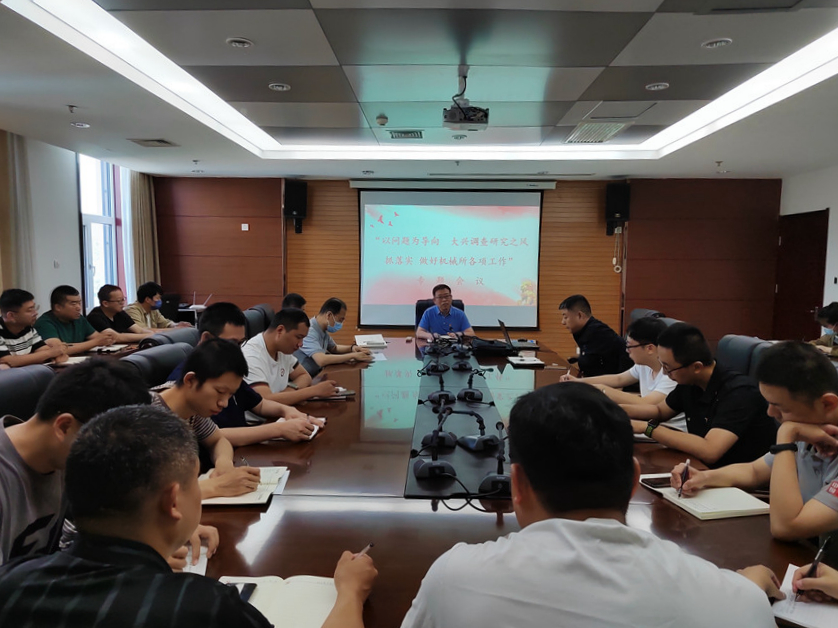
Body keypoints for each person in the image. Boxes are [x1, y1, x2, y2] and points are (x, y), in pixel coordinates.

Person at [400, 383, 782, 628]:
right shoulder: (739, 604)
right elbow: (735, 601)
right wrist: (741, 588)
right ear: (634, 479)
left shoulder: (453, 578)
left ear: (516, 485)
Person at [0, 406, 378, 628]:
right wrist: (350, 593)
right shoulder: (203, 608)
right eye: (197, 481)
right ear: (173, 501)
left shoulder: (11, 583)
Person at [671, 342, 838, 546]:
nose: (770, 413)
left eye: (781, 408)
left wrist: (786, 435)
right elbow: (754, 471)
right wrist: (704, 477)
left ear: (827, 404)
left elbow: (786, 527)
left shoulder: (795, 430)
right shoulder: (810, 428)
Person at [623, 323, 778, 468]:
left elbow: (710, 451)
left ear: (697, 367)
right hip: (703, 469)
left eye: (668, 367)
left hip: (738, 478)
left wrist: (647, 428)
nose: (664, 372)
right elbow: (659, 411)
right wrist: (616, 411)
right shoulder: (690, 381)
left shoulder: (740, 393)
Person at [169, 302, 322, 445]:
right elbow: (211, 435)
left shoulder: (227, 370)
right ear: (206, 339)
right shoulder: (186, 381)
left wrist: (287, 410)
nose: (238, 350)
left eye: (240, 343)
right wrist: (278, 429)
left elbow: (259, 404)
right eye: (231, 343)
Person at [152, 337, 262, 499]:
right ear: (190, 380)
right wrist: (215, 486)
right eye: (220, 392)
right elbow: (144, 496)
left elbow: (218, 440)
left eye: (230, 395)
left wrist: (223, 464)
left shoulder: (192, 410)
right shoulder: (146, 415)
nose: (224, 403)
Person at [560, 316, 678, 408]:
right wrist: (578, 382)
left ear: (650, 348)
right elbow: (619, 379)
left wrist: (601, 389)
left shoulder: (671, 374)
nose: (627, 351)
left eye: (630, 346)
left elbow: (646, 403)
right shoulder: (645, 365)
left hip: (668, 429)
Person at [243, 307, 341, 408]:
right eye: (299, 337)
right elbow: (264, 401)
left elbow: (304, 376)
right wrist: (313, 391)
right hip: (261, 418)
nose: (301, 344)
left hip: (282, 411)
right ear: (280, 330)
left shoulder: (282, 349)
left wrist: (289, 391)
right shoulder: (251, 355)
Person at [294, 298, 373, 375]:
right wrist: (353, 356)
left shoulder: (322, 329)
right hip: (304, 376)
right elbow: (321, 360)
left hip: (317, 373)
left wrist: (352, 348)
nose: (341, 324)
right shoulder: (309, 331)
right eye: (340, 320)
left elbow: (334, 348)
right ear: (329, 315)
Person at [559, 294, 632, 377]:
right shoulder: (584, 330)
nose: (563, 322)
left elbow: (590, 365)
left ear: (579, 315)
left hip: (620, 379)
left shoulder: (597, 332)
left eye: (565, 317)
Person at [34, 285, 117, 355]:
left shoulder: (79, 319)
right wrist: (96, 342)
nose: (78, 308)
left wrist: (107, 339)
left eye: (79, 303)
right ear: (58, 307)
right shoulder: (44, 323)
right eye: (73, 304)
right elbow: (58, 349)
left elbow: (97, 337)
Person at [0, 288, 67, 367]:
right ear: (11, 316)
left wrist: (57, 354)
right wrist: (51, 353)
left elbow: (43, 349)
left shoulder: (27, 327)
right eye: (30, 310)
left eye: (34, 308)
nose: (35, 313)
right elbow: (8, 361)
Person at [87, 284, 153, 342]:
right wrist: (149, 336)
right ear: (105, 303)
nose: (122, 303)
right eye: (119, 301)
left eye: (123, 299)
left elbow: (139, 330)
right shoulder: (94, 317)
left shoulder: (120, 313)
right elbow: (116, 337)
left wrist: (154, 334)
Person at [124, 281, 191, 330]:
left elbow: (164, 323)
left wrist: (176, 325)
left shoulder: (153, 310)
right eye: (157, 298)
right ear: (147, 299)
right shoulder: (132, 310)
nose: (160, 301)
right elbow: (142, 330)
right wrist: (173, 330)